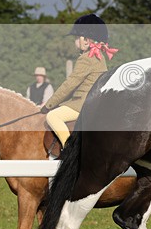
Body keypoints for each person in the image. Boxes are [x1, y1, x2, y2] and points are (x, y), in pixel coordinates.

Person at [42, 14, 117, 148]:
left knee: (52, 116)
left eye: (77, 38)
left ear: (86, 40)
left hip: (82, 104)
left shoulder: (86, 58)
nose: (75, 41)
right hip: (92, 102)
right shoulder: (99, 56)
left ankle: (69, 149)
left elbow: (69, 85)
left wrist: (49, 105)